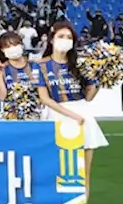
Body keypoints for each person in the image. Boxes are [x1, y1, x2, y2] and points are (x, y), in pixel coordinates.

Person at [36, 19, 107, 183]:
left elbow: (89, 97)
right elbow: (44, 98)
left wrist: (100, 79)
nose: (65, 40)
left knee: (84, 175)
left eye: (69, 37)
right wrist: (72, 115)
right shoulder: (41, 65)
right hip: (56, 117)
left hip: (83, 117)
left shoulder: (80, 64)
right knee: (56, 172)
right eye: (61, 36)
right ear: (52, 39)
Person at [0, 31, 43, 119]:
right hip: (12, 118)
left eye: (15, 44)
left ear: (21, 45)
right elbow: (2, 97)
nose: (12, 48)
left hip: (35, 117)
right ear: (2, 49)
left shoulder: (35, 65)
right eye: (8, 46)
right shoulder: (3, 69)